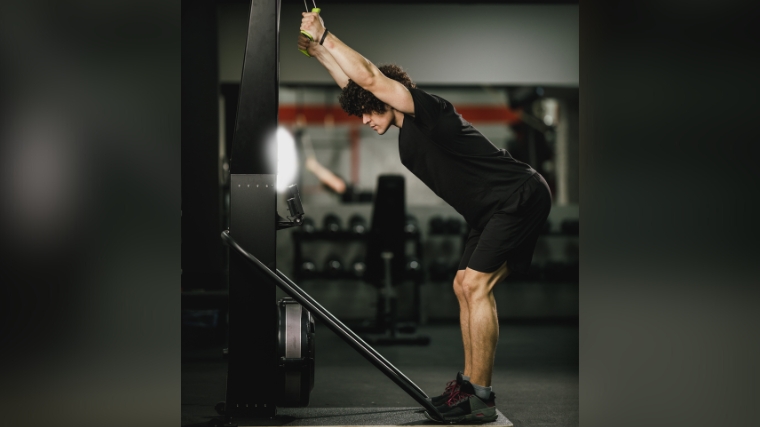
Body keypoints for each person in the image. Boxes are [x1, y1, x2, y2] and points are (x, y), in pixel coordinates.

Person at [298, 12, 551, 424]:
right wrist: (318, 53)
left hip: (517, 196)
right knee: (462, 285)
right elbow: (356, 87)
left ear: (388, 95)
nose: (364, 119)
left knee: (476, 284)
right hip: (489, 209)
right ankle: (469, 387)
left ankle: (481, 398)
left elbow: (368, 79)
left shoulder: (427, 110)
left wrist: (326, 34)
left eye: (368, 111)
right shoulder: (400, 124)